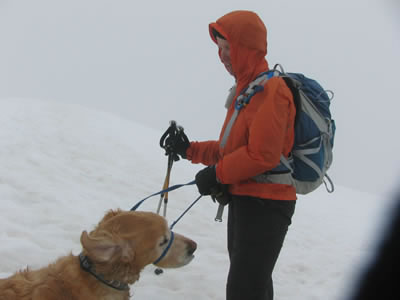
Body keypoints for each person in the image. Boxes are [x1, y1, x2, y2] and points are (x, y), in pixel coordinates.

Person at [163, 10, 297, 300]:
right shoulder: (246, 90)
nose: (222, 56)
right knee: (252, 287)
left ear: (246, 48)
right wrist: (189, 149)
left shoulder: (271, 90)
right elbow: (230, 152)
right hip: (247, 200)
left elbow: (262, 155)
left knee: (244, 290)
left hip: (267, 205)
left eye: (228, 48)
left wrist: (217, 174)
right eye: (220, 49)